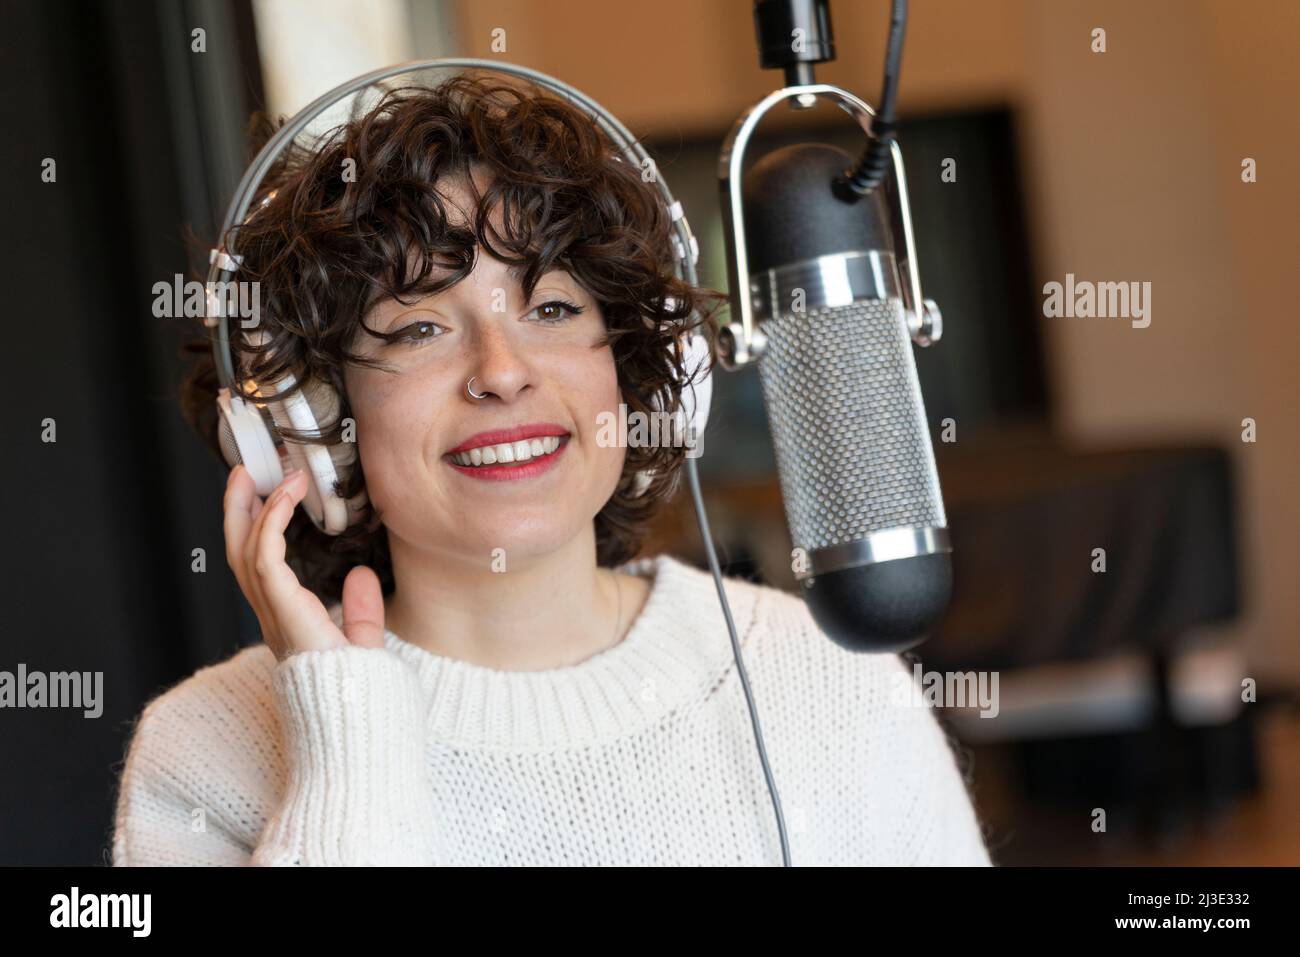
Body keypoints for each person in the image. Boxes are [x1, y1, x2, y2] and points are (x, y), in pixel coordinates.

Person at [110, 73, 993, 866]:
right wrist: (347, 732)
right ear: (314, 424)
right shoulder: (204, 753)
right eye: (418, 327)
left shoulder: (827, 675)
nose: (501, 370)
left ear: (651, 372)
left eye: (554, 306)